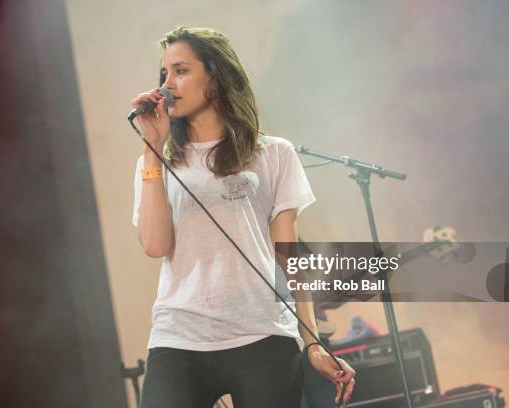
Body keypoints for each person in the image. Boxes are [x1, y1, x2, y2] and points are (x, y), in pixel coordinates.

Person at [131, 26, 355, 408]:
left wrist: (312, 341)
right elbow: (155, 246)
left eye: (181, 71)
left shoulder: (274, 153)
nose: (167, 85)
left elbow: (289, 257)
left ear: (215, 76)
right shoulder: (155, 163)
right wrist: (153, 151)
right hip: (180, 335)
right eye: (164, 74)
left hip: (262, 333)